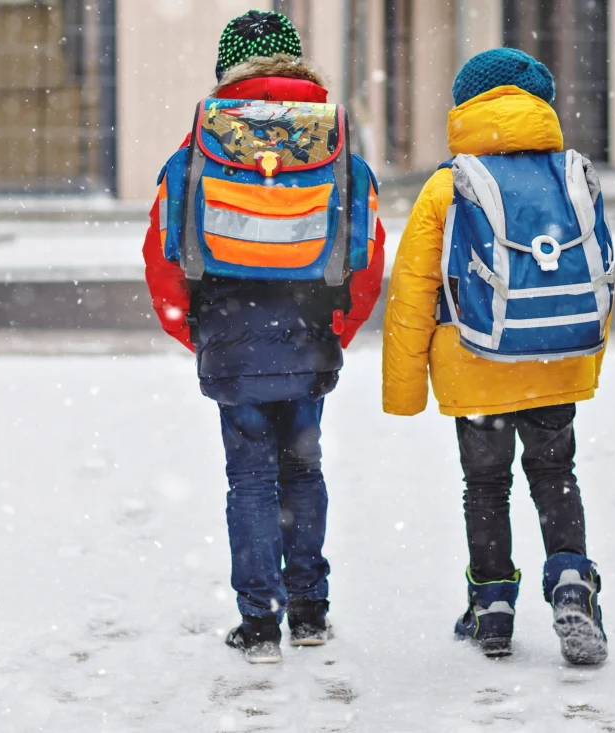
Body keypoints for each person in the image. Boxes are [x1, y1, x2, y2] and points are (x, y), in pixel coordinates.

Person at [142, 10, 385, 663]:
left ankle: (260, 623)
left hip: (229, 330)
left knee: (248, 476)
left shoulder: (199, 148)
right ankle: (309, 610)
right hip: (309, 330)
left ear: (228, 70)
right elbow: (366, 254)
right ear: (297, 63)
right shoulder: (333, 145)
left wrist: (197, 330)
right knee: (303, 467)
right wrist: (340, 324)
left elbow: (163, 258)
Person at [382, 48, 612, 665]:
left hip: (475, 362)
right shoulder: (571, 175)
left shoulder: (449, 182)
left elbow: (411, 292)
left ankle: (492, 608)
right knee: (555, 475)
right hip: (556, 358)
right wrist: (587, 358)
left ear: (467, 104)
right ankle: (572, 585)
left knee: (485, 485)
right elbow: (598, 277)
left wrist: (405, 389)